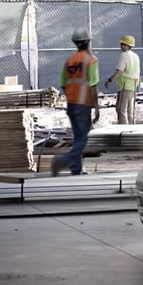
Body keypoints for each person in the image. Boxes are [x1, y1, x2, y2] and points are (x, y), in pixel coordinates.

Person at [52, 27, 100, 176]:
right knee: (83, 139)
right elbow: (93, 86)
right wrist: (97, 107)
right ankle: (63, 160)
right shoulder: (90, 60)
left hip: (72, 104)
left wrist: (72, 96)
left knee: (78, 137)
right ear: (88, 42)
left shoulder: (70, 60)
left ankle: (75, 169)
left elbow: (62, 83)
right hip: (83, 105)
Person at [105, 35, 140, 124]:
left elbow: (119, 71)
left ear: (126, 45)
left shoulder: (124, 56)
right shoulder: (135, 56)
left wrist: (109, 80)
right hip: (133, 86)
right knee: (130, 111)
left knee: (121, 110)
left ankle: (123, 131)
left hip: (124, 86)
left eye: (123, 44)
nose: (121, 46)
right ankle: (131, 130)